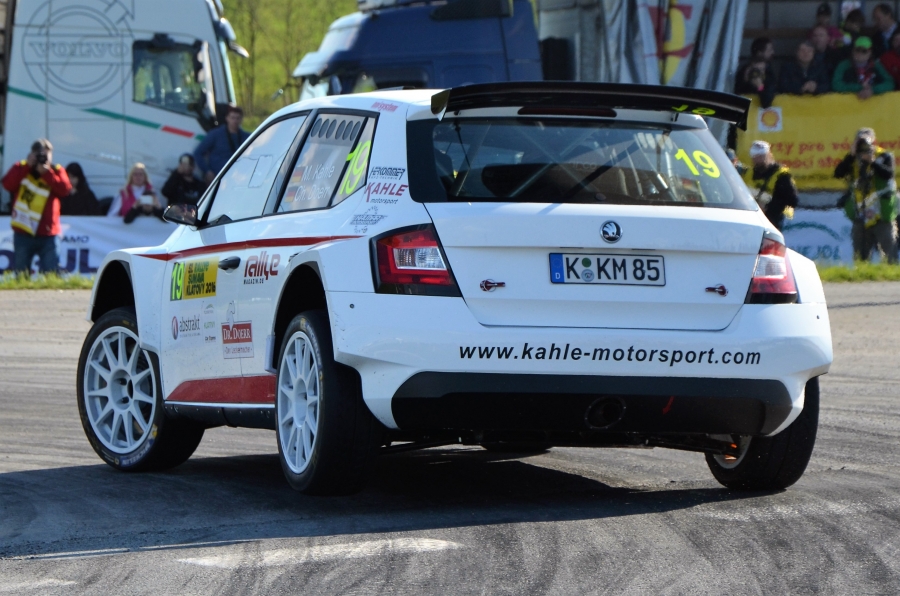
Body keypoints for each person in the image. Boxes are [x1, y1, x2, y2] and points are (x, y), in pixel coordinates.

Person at [1, 139, 72, 273]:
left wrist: (47, 174)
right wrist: (28, 166)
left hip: (48, 233)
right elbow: (8, 185)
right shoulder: (21, 167)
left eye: (46, 154)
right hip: (23, 231)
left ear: (51, 155)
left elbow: (65, 190)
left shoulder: (56, 170)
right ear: (32, 153)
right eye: (39, 154)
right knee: (21, 274)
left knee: (51, 274)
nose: (42, 158)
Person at [834, 129, 899, 263]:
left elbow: (889, 174)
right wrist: (851, 156)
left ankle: (893, 272)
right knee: (860, 254)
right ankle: (862, 272)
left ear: (874, 141)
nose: (864, 146)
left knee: (889, 251)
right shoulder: (853, 158)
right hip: (861, 212)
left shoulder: (884, 156)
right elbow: (838, 173)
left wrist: (872, 162)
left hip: (881, 211)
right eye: (860, 142)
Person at [745, 141, 798, 231]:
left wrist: (768, 207)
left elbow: (793, 201)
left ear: (769, 155)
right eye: (755, 156)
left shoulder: (782, 175)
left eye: (761, 156)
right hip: (752, 221)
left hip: (772, 223)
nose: (758, 159)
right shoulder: (748, 174)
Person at [193, 105, 249, 184]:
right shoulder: (215, 134)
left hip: (239, 178)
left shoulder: (246, 137)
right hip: (217, 178)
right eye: (232, 118)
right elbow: (198, 153)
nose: (235, 121)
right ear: (227, 118)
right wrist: (207, 171)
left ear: (241, 120)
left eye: (238, 118)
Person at [735, 37, 777, 108]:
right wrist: (745, 80)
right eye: (769, 50)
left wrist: (760, 87)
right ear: (759, 53)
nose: (773, 52)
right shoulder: (744, 71)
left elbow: (766, 102)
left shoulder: (769, 73)